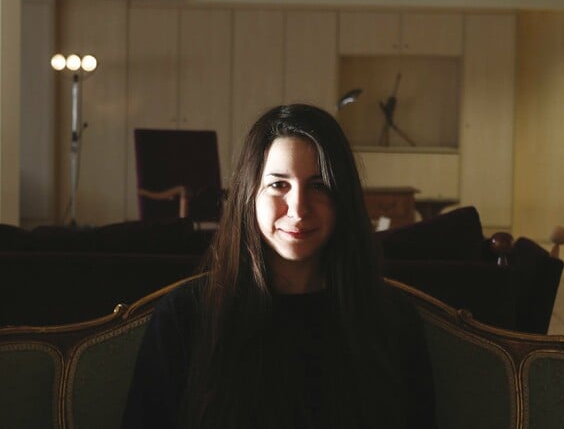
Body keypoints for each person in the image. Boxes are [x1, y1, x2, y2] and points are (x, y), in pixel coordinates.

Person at [122, 104, 436, 429]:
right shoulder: (186, 316)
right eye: (278, 184)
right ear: (249, 195)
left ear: (344, 200)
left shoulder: (391, 318)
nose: (298, 209)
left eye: (319, 185)